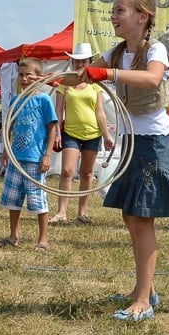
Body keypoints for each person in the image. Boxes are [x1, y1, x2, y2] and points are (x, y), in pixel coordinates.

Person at [81, 0, 169, 322]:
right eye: (113, 11)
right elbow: (82, 76)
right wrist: (68, 74)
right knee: (131, 217)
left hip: (153, 144)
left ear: (142, 17)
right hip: (133, 143)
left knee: (142, 219)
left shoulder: (155, 49)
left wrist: (106, 74)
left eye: (120, 11)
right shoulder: (117, 52)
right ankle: (144, 289)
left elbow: (152, 78)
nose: (114, 16)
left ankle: (143, 300)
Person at [0, 58, 58, 251]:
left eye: (28, 75)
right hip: (16, 158)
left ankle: (43, 239)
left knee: (38, 199)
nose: (23, 79)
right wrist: (6, 149)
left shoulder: (44, 100)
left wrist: (47, 155)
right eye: (21, 75)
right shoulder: (16, 100)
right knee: (13, 199)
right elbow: (10, 127)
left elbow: (52, 128)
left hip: (35, 158)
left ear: (38, 77)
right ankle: (14, 236)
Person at [50, 42, 114, 226]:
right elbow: (59, 109)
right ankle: (62, 212)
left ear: (89, 61)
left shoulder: (95, 85)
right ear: (72, 62)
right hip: (71, 132)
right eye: (76, 61)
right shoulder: (65, 83)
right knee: (67, 171)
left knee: (86, 173)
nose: (79, 64)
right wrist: (57, 132)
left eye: (83, 61)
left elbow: (100, 111)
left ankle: (82, 212)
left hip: (93, 134)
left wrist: (106, 135)